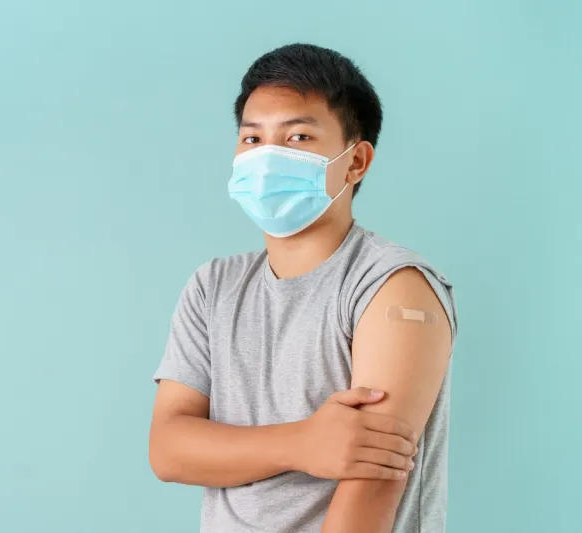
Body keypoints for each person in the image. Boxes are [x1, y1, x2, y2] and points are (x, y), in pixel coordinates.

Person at [149, 43, 457, 533]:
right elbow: (169, 449)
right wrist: (303, 443)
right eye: (252, 140)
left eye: (297, 136)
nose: (268, 158)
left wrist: (242, 447)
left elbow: (374, 481)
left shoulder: (393, 287)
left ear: (355, 162)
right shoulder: (213, 286)